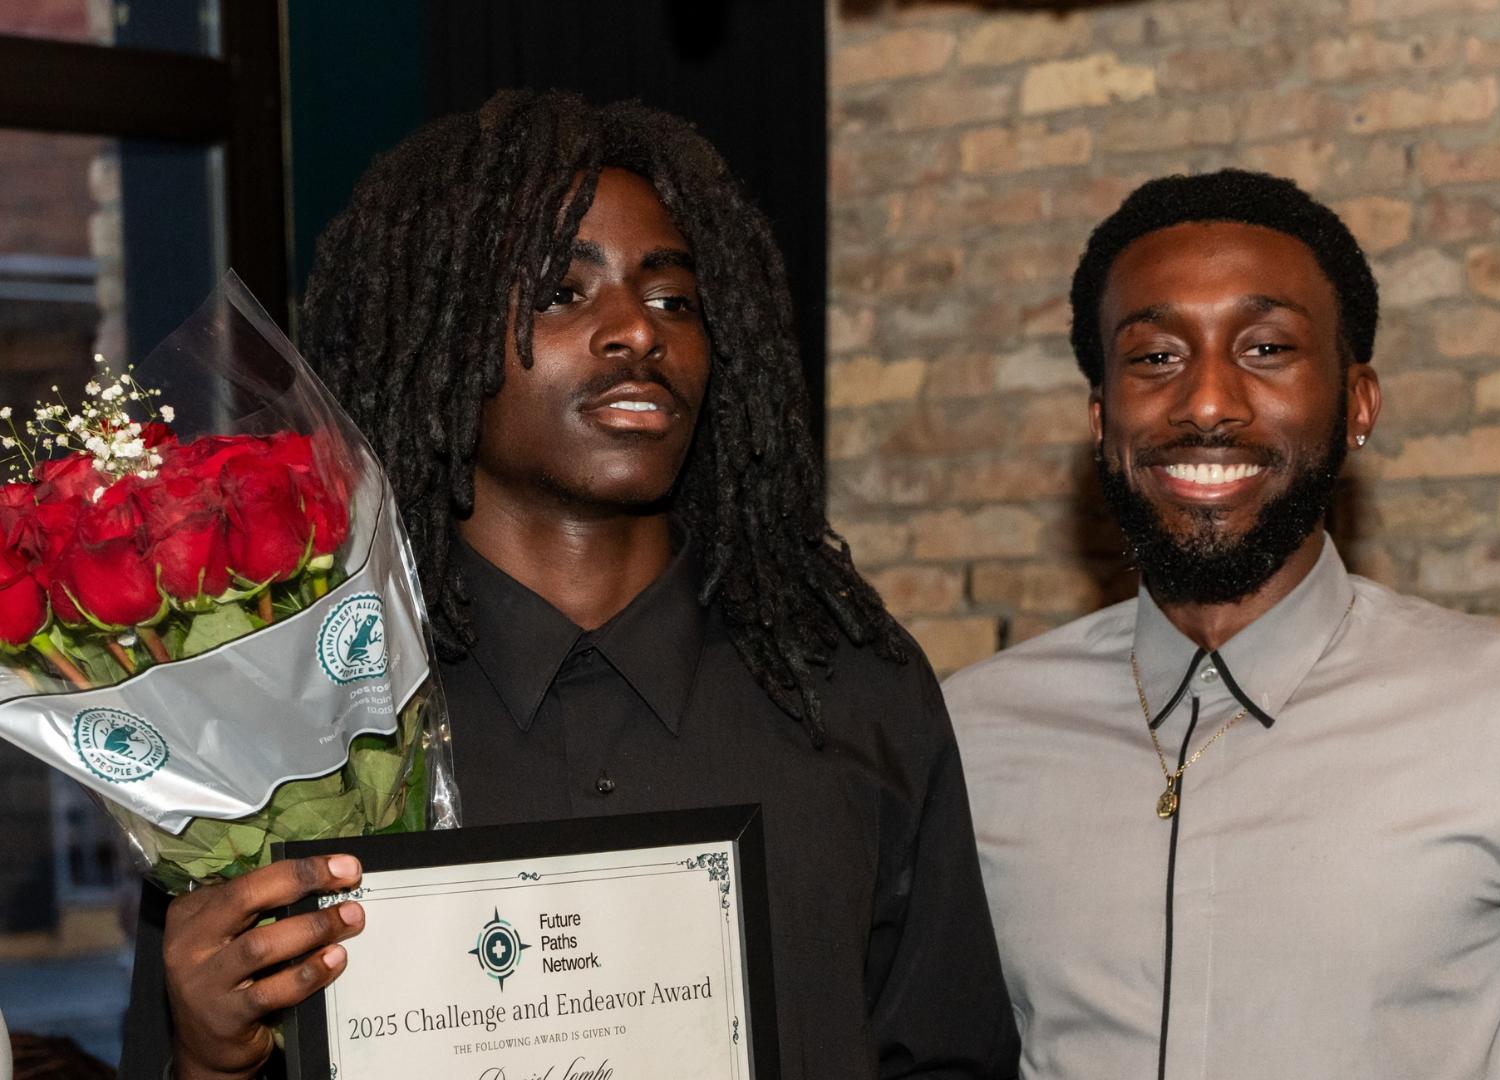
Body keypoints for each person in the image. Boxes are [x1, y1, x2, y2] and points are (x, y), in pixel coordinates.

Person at [119, 90, 1019, 1080]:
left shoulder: (852, 692)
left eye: (673, 300)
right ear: (439, 337)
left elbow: (950, 1057)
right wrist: (208, 1063)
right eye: (561, 292)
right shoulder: (293, 737)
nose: (637, 331)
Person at [942, 169, 1500, 1080]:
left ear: (1358, 404)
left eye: (1266, 348)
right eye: (1156, 358)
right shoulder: (971, 736)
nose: (1207, 402)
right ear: (1102, 418)